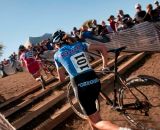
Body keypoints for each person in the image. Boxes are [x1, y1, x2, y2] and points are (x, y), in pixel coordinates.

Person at [52, 30, 131, 130]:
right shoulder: (79, 44)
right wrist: (105, 66)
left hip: (80, 84)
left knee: (96, 121)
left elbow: (62, 79)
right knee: (92, 115)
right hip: (94, 80)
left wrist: (61, 76)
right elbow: (102, 47)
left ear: (57, 44)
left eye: (55, 45)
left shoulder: (57, 55)